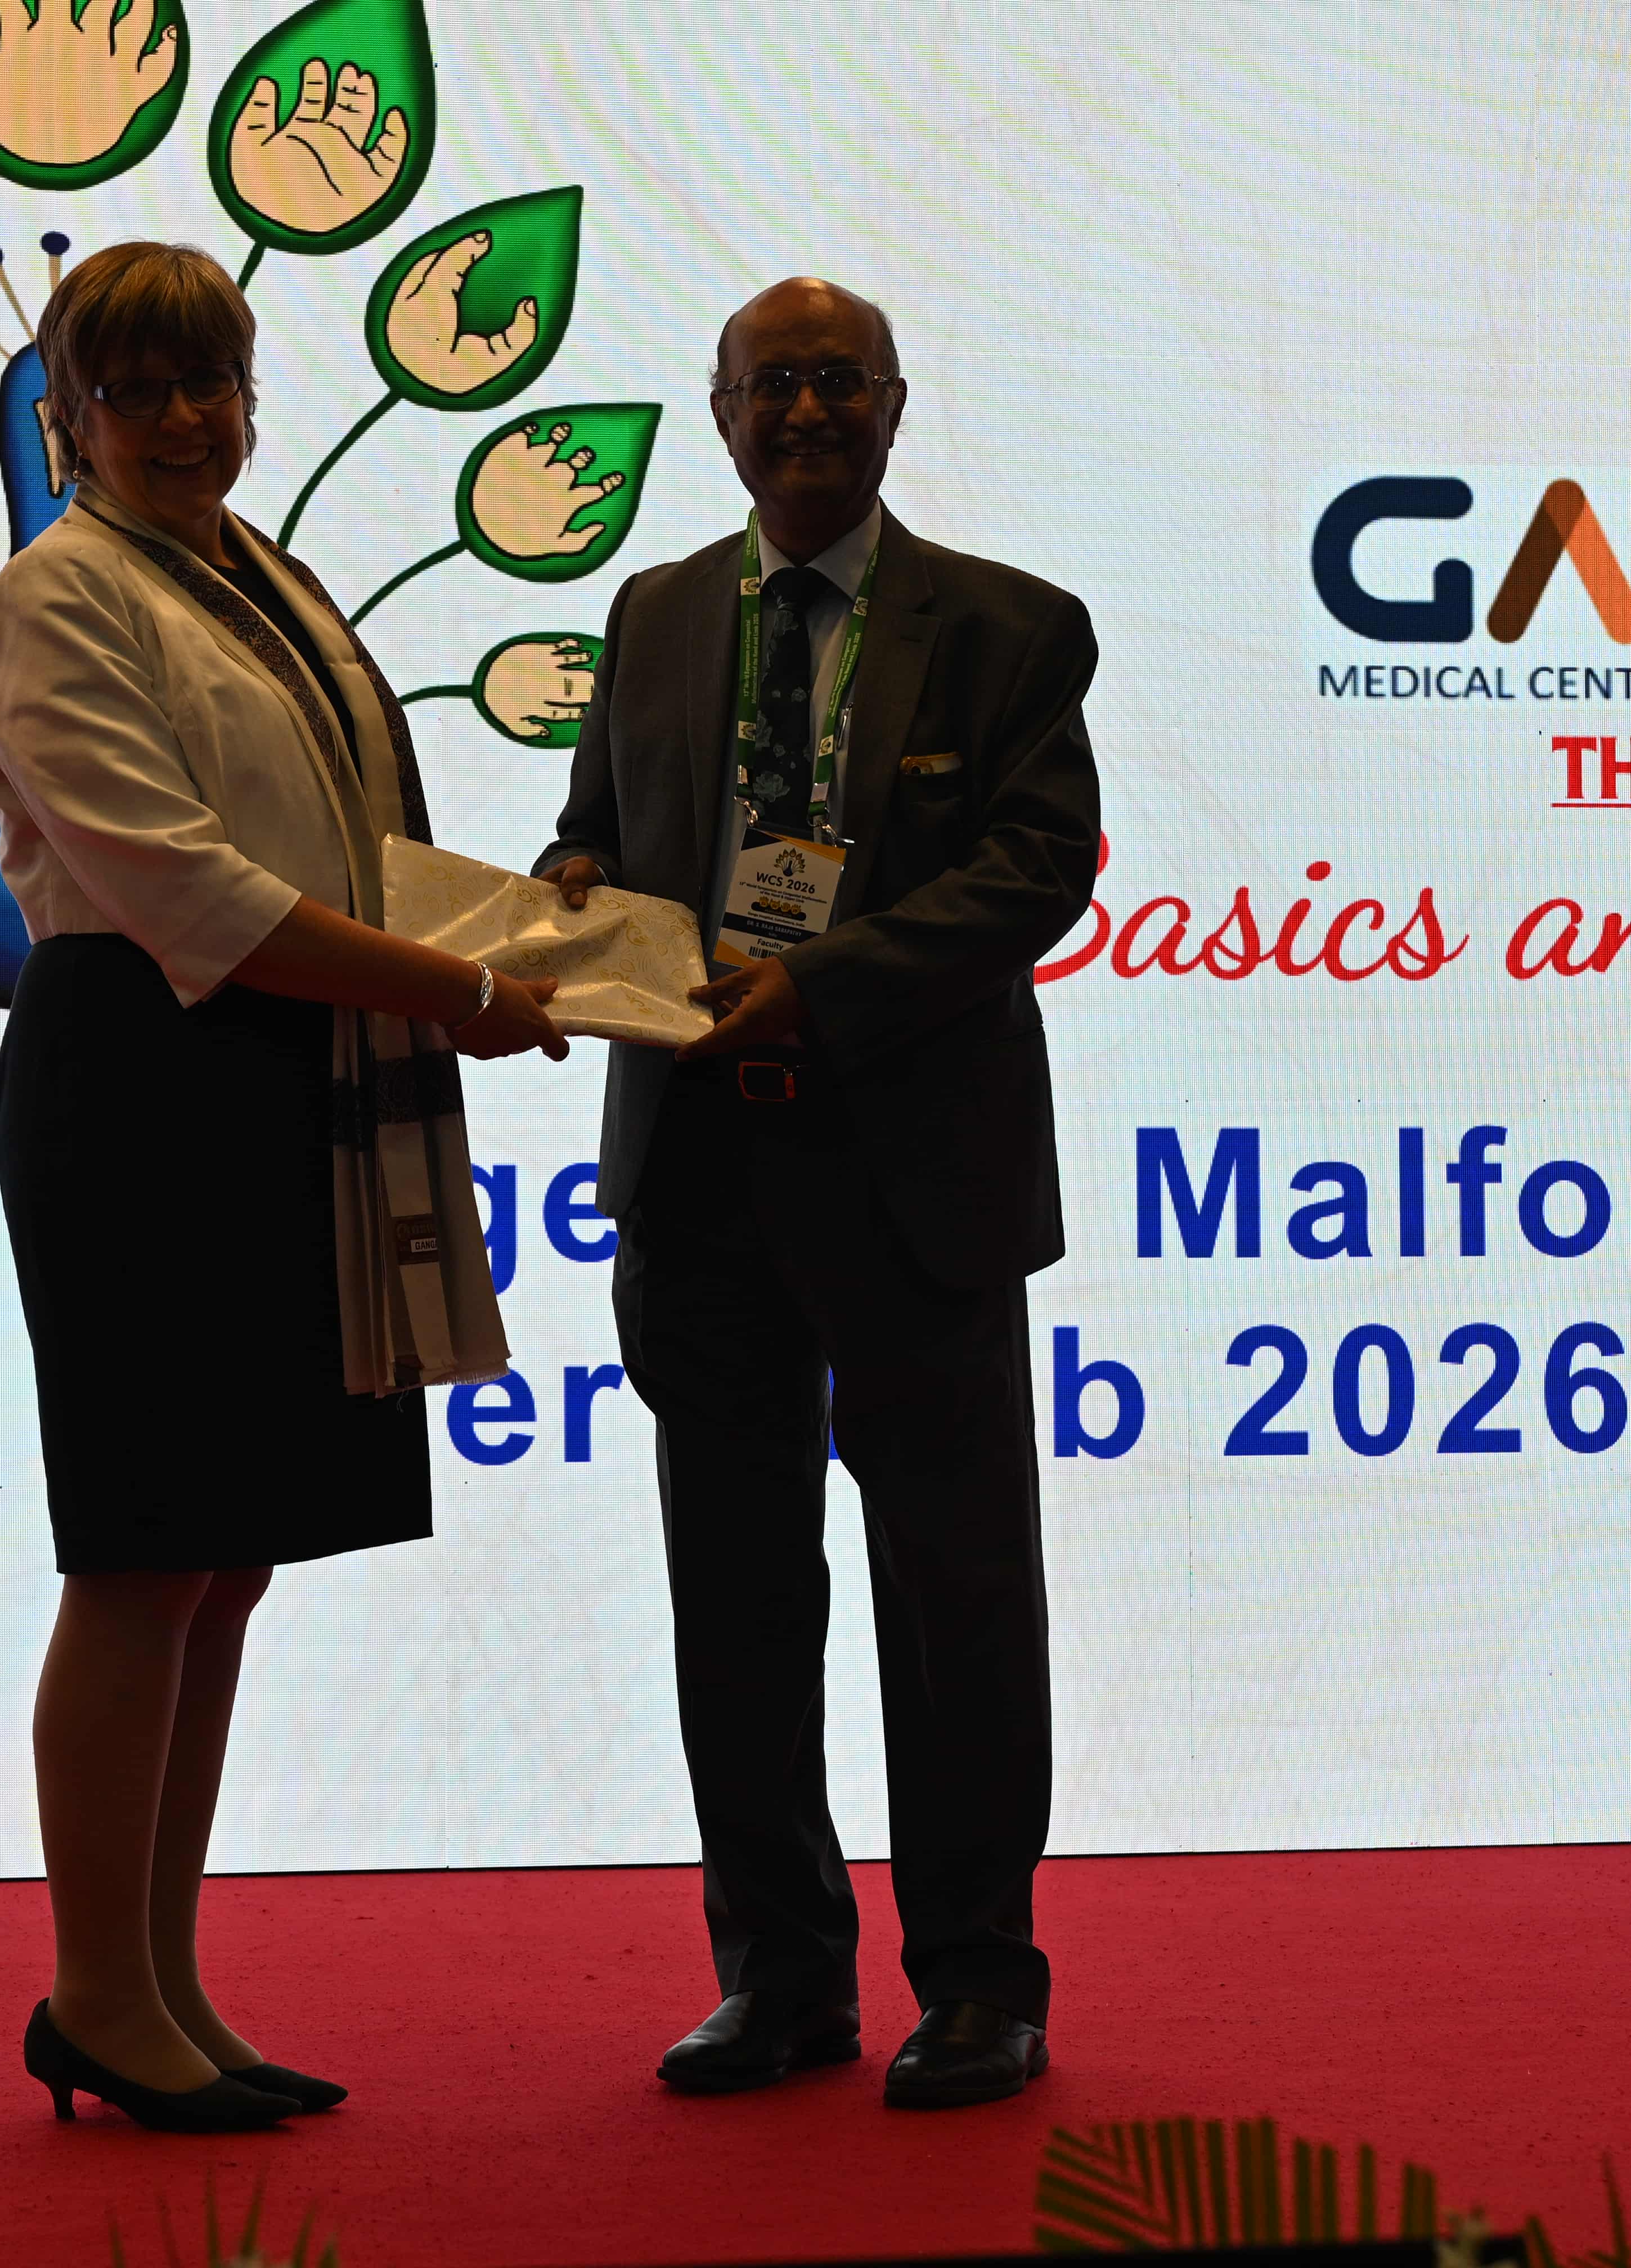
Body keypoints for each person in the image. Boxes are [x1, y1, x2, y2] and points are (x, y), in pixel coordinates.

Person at [0, 240, 568, 2134]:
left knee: (224, 1562)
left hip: (281, 1070)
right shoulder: (59, 590)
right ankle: (94, 1993)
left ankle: (160, 1985)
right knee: (144, 1553)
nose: (180, 419)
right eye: (134, 390)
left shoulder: (262, 576)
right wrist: (458, 991)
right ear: (67, 420)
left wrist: (548, 938)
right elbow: (189, 888)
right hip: (145, 1076)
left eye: (210, 381)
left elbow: (346, 850)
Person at [538, 277, 1100, 2110]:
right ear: (719, 416)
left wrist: (825, 986)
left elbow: (1035, 872)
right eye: (769, 385)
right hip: (699, 1170)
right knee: (738, 1594)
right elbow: (605, 831)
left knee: (955, 1594)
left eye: (837, 384)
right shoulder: (651, 613)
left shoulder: (1012, 628)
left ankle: (982, 1983)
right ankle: (780, 1978)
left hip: (911, 1174)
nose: (804, 414)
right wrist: (564, 886)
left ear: (894, 408)